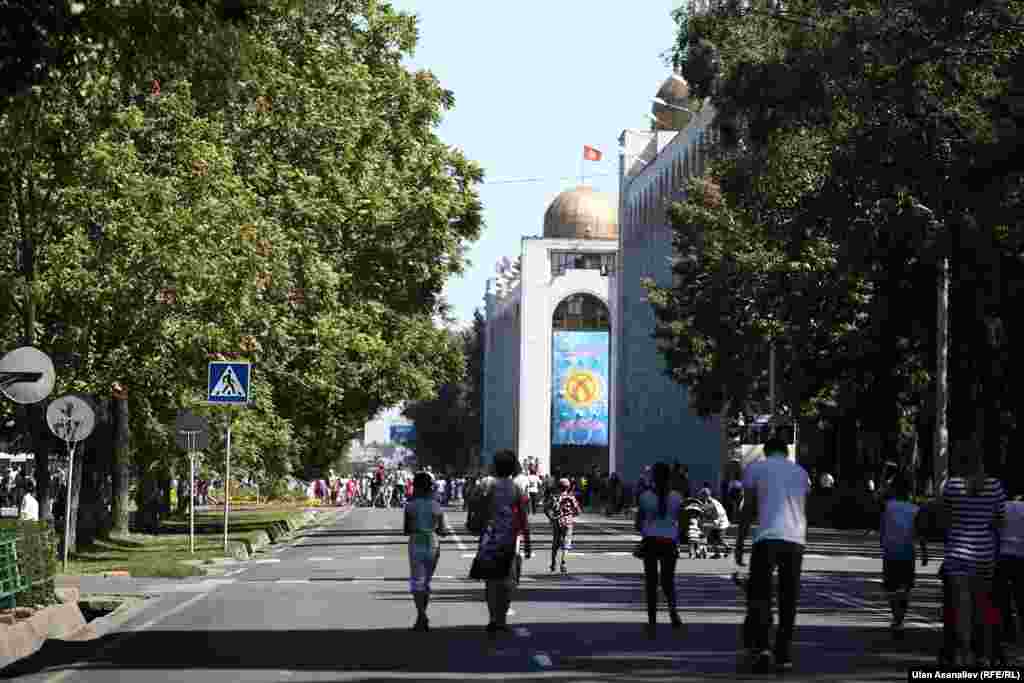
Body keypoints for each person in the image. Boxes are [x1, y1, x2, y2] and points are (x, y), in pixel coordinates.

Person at [735, 436, 810, 673]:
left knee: (760, 594)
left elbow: (748, 508)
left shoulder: (756, 468)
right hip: (795, 539)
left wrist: (740, 542)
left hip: (766, 538)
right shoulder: (801, 473)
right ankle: (783, 654)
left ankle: (762, 647)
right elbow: (802, 506)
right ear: (786, 452)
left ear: (766, 452)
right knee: (789, 598)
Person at [942, 446, 1006, 667]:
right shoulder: (995, 486)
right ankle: (983, 655)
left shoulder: (952, 485)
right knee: (982, 605)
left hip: (957, 553)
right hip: (984, 554)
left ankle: (963, 653)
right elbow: (1000, 521)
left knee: (961, 607)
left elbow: (945, 518)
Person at [474, 450, 532, 636]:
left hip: (489, 537)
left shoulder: (487, 485)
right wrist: (527, 541)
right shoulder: (516, 488)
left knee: (491, 582)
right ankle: (502, 620)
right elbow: (523, 517)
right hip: (510, 539)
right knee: (507, 582)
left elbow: (477, 507)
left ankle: (493, 619)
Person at [636, 462, 684, 636]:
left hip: (651, 541)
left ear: (653, 477)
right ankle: (673, 612)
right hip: (670, 541)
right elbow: (681, 521)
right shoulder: (677, 497)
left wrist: (648, 527)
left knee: (651, 583)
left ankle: (652, 622)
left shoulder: (645, 496)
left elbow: (638, 523)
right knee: (668, 581)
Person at [879, 473, 928, 633]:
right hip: (908, 552)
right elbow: (920, 532)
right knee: (906, 587)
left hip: (890, 551)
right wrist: (924, 552)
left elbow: (882, 527)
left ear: (894, 489)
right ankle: (900, 618)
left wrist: (882, 543)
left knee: (891, 587)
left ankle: (896, 617)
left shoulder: (887, 506)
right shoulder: (915, 509)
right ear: (909, 491)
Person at [404, 471, 449, 631]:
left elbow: (407, 530)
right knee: (425, 582)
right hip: (432, 543)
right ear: (430, 487)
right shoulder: (436, 506)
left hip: (416, 542)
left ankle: (421, 615)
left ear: (415, 487)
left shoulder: (410, 506)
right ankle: (422, 615)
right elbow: (443, 531)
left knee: (417, 581)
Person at [995, 494, 1024, 665]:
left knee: (1002, 596)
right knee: (1021, 595)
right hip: (1021, 556)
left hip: (1002, 555)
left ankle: (1008, 631)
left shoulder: (1000, 507)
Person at [546, 478, 581, 574]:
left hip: (557, 521)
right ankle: (563, 563)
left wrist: (551, 518)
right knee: (566, 543)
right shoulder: (571, 497)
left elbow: (546, 509)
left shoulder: (554, 497)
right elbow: (578, 511)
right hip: (568, 522)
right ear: (568, 487)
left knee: (555, 543)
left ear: (558, 487)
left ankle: (553, 563)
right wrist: (571, 515)